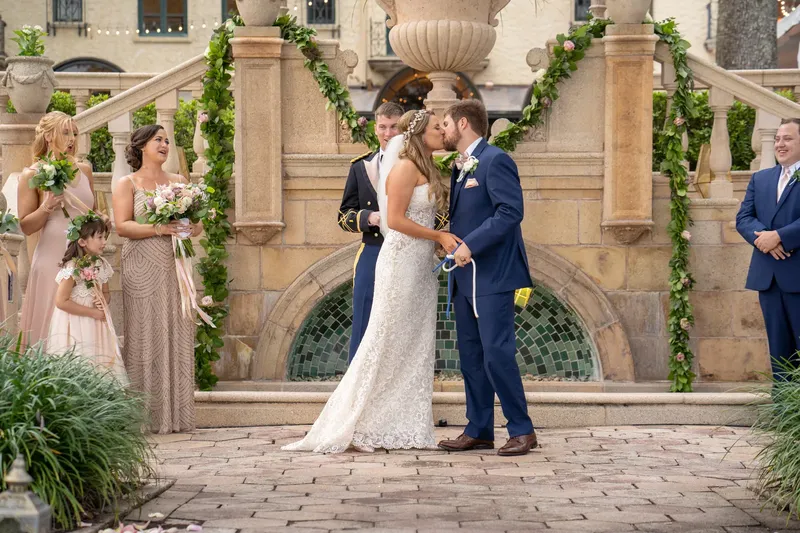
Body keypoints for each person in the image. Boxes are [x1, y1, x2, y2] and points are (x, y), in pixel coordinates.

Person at [282, 110, 461, 453]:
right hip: (400, 262)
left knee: (412, 344)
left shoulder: (428, 168)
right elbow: (393, 221)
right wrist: (438, 235)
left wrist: (436, 241)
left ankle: (403, 423)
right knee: (384, 339)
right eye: (438, 127)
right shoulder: (406, 168)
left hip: (420, 265)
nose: (443, 132)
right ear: (422, 134)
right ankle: (357, 422)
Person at [438, 99, 537, 456]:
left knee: (497, 353)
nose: (443, 130)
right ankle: (479, 428)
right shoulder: (459, 167)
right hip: (464, 278)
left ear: (463, 124)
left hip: (493, 275)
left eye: (446, 123)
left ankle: (522, 430)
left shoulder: (496, 160)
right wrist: (449, 242)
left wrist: (471, 245)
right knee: (471, 357)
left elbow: (511, 212)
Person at [112, 124, 202, 434]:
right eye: (157, 140)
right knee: (144, 333)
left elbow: (197, 227)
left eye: (166, 140)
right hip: (141, 265)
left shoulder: (179, 182)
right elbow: (122, 227)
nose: (164, 144)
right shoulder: (128, 183)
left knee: (176, 329)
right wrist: (159, 229)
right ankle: (144, 418)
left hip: (173, 263)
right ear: (140, 146)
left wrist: (183, 227)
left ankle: (176, 416)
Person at [18, 111, 95, 346]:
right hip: (51, 259)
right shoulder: (32, 174)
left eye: (75, 133)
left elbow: (92, 215)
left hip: (83, 258)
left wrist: (102, 219)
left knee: (83, 327)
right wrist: (47, 207)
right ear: (49, 136)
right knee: (50, 323)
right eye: (65, 133)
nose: (72, 139)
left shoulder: (85, 170)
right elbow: (26, 226)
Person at [736, 118, 800, 382]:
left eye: (788, 138)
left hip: (797, 274)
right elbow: (743, 218)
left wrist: (780, 237)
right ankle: (784, 415)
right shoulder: (761, 178)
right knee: (779, 354)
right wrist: (763, 240)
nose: (780, 144)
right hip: (768, 278)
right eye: (777, 139)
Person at [339, 102, 403, 363]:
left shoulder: (417, 165)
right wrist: (369, 217)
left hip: (404, 250)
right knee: (364, 316)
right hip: (372, 250)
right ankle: (357, 384)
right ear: (375, 129)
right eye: (383, 127)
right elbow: (344, 216)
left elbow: (440, 211)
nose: (388, 133)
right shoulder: (360, 166)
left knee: (400, 318)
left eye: (394, 127)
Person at [47, 212, 127, 384]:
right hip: (76, 324)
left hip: (96, 325)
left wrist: (103, 301)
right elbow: (61, 301)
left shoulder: (101, 264)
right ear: (82, 241)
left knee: (99, 361)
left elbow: (106, 292)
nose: (104, 242)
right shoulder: (73, 268)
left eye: (105, 237)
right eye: (99, 237)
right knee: (82, 358)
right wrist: (92, 312)